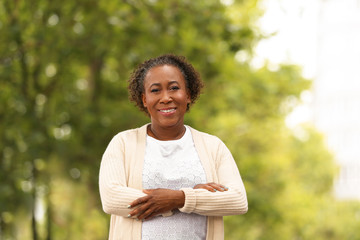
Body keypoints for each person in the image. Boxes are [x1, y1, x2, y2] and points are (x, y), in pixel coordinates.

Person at [99, 54, 248, 240]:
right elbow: (112, 199)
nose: (166, 98)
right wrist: (184, 198)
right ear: (144, 99)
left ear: (188, 95)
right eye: (155, 90)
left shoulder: (213, 146)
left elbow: (237, 200)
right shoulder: (123, 143)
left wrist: (180, 198)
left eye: (174, 88)